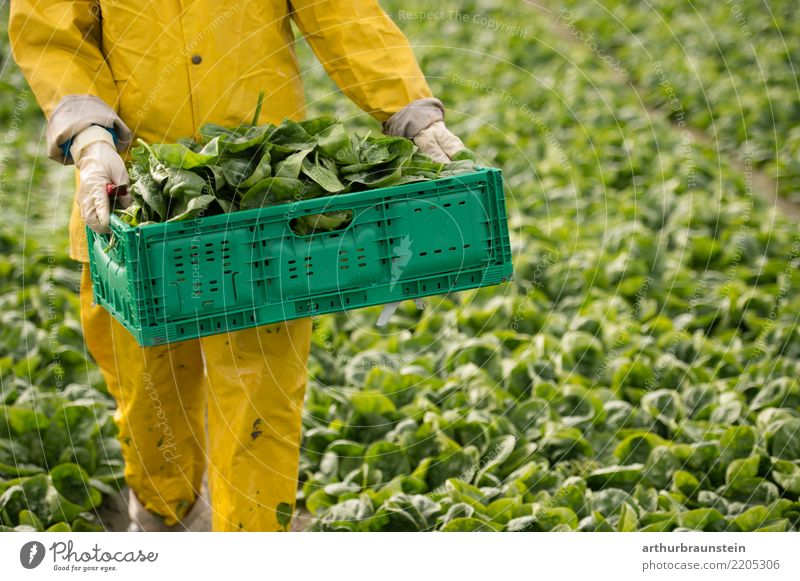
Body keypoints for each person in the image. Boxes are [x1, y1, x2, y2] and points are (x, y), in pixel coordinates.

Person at [9, 1, 465, 532]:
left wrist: (409, 108)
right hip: (134, 189)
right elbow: (53, 31)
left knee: (260, 385)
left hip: (261, 186)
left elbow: (342, 12)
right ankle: (162, 514)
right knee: (148, 383)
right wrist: (90, 137)